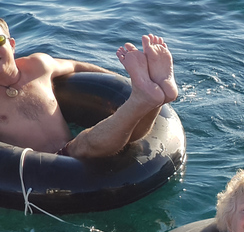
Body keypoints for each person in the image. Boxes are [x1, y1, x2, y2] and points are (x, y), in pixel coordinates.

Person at [0, 18, 177, 158]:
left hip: (74, 149)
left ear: (12, 44)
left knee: (133, 136)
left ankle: (153, 92)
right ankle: (144, 95)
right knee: (84, 144)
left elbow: (78, 67)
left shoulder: (38, 66)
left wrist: (126, 82)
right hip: (44, 169)